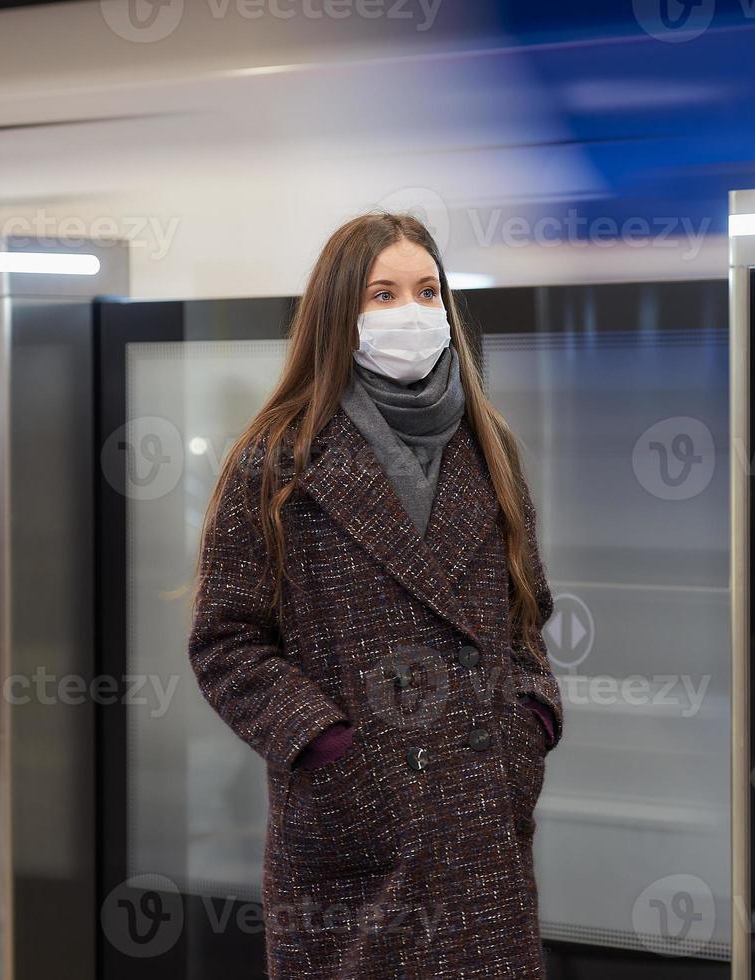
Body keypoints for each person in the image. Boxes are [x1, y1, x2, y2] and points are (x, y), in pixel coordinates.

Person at [187, 212, 563, 978]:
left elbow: (526, 615)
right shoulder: (277, 459)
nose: (411, 313)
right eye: (382, 295)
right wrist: (325, 745)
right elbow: (225, 639)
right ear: (340, 314)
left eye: (428, 292)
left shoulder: (490, 448)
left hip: (479, 825)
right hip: (353, 836)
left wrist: (530, 716)